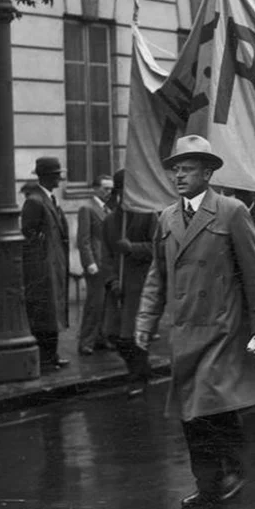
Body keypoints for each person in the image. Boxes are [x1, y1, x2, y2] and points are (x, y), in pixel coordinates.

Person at [135, 135, 255, 509]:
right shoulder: (166, 217)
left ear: (208, 172)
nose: (179, 176)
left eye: (187, 169)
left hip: (222, 327)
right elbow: (157, 274)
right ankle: (209, 482)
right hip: (183, 330)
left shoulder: (231, 211)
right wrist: (146, 320)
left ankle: (232, 469)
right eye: (176, 169)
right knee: (190, 412)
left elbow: (254, 272)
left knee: (211, 402)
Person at [100, 170, 158, 398]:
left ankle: (138, 378)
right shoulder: (110, 221)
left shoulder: (149, 216)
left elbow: (158, 249)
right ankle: (140, 370)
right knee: (114, 335)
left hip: (141, 287)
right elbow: (105, 255)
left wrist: (132, 248)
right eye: (123, 192)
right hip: (117, 288)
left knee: (135, 336)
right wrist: (111, 279)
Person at [22, 157, 70, 372]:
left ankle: (52, 355)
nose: (59, 180)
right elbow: (28, 234)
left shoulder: (48, 199)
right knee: (45, 314)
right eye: (56, 176)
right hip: (43, 268)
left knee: (54, 312)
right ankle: (46, 358)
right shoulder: (35, 200)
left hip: (54, 263)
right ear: (47, 177)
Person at [77, 174, 113, 356]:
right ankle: (86, 341)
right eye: (105, 188)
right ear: (95, 189)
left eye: (111, 189)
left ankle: (100, 338)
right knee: (94, 304)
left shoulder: (108, 210)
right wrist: (89, 262)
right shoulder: (87, 208)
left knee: (105, 304)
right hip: (96, 264)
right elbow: (83, 240)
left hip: (108, 264)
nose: (109, 192)